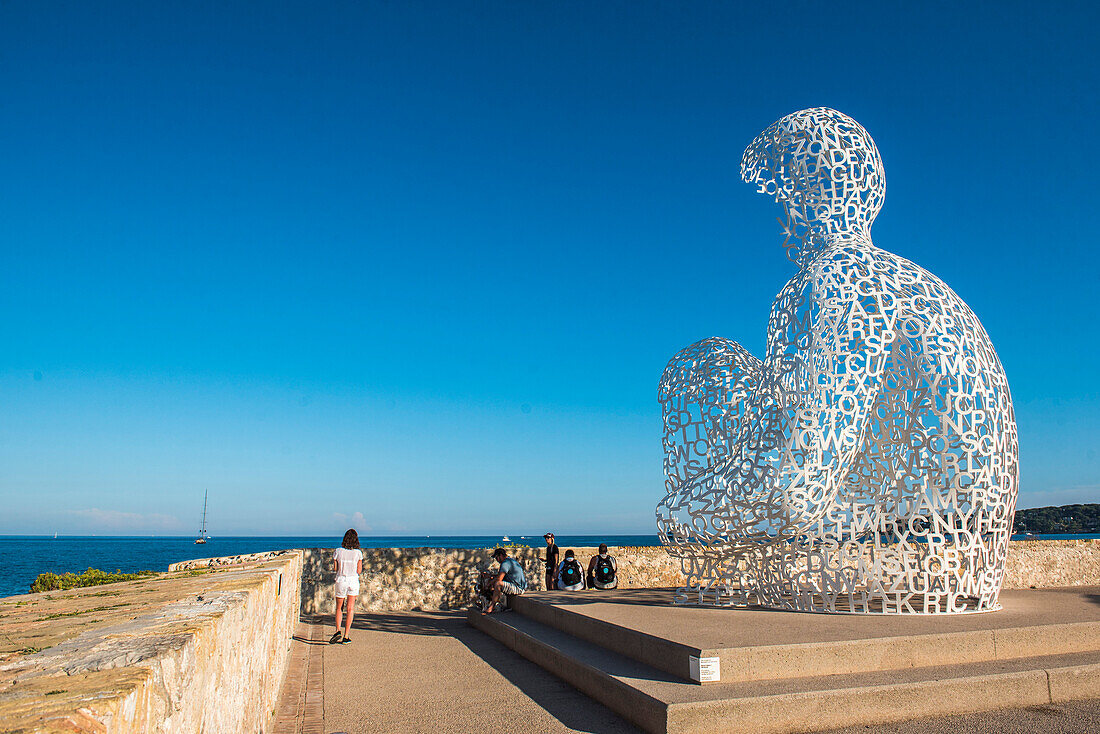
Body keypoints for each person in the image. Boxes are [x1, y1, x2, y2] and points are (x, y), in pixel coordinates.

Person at [331, 529, 363, 644]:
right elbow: (359, 570)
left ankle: (337, 630)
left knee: (339, 607)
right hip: (353, 581)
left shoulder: (338, 551)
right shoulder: (358, 553)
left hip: (341, 580)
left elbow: (335, 568)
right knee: (350, 608)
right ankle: (346, 636)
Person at [483, 547, 527, 614]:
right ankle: (495, 603)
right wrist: (490, 576)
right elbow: (501, 575)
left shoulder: (505, 563)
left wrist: (488, 584)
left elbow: (499, 579)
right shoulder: (510, 561)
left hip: (518, 588)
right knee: (494, 581)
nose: (496, 560)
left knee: (498, 584)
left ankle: (491, 607)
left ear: (500, 555)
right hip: (519, 586)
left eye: (496, 557)